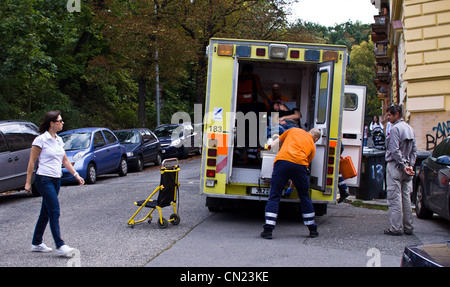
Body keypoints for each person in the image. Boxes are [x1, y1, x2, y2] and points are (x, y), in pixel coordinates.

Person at [25, 110, 85, 256]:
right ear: (52, 123)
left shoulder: (59, 140)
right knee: (54, 211)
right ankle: (60, 245)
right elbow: (32, 162)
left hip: (56, 179)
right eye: (60, 120)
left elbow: (65, 160)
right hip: (44, 179)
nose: (62, 122)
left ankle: (36, 242)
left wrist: (76, 175)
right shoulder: (41, 140)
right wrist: (28, 183)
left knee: (45, 212)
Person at [261, 128, 321, 239]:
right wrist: (291, 188)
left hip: (282, 162)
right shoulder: (312, 146)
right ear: (316, 138)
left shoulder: (293, 130)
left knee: (274, 196)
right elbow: (300, 169)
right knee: (304, 197)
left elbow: (275, 143)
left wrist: (266, 148)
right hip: (299, 165)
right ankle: (312, 230)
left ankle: (268, 230)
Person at [384, 105, 417, 236]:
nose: (387, 117)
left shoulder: (395, 129)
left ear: (397, 114)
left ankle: (396, 228)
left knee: (394, 198)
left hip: (395, 166)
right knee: (406, 198)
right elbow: (414, 151)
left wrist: (402, 165)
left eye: (390, 115)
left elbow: (394, 150)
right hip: (408, 167)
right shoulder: (410, 129)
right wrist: (410, 165)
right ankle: (408, 227)